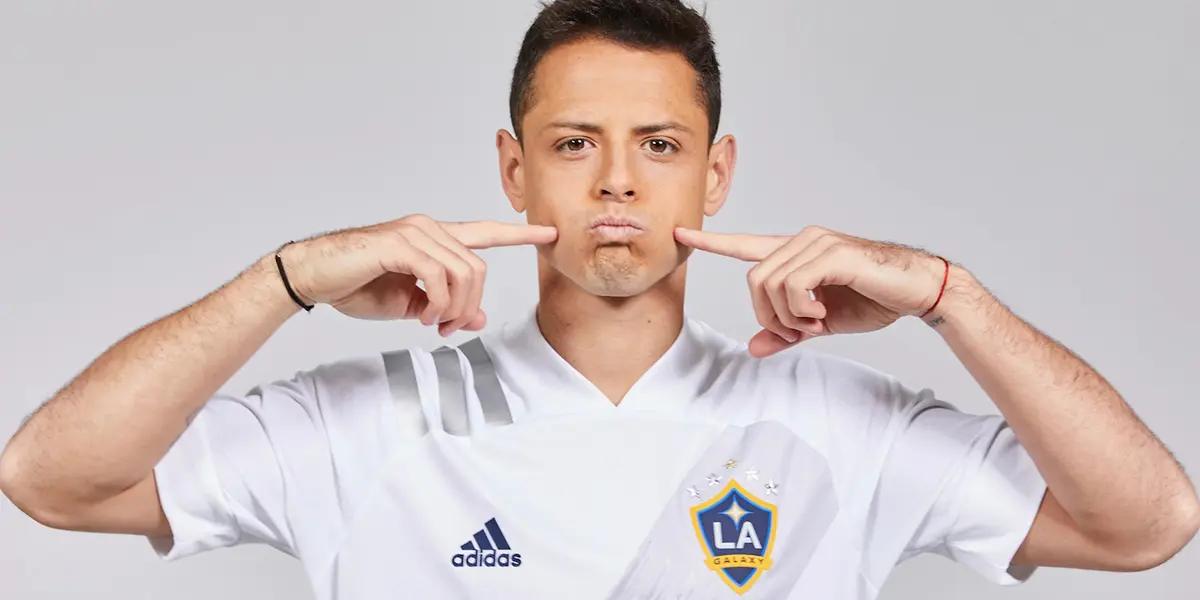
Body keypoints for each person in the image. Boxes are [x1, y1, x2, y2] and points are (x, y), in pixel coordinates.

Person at [1, 0, 1197, 598]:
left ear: (716, 172)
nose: (619, 180)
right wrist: (283, 282)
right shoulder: (358, 421)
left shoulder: (843, 430)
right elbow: (50, 479)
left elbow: (1146, 527)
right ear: (513, 171)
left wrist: (953, 298)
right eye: (575, 144)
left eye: (659, 145)